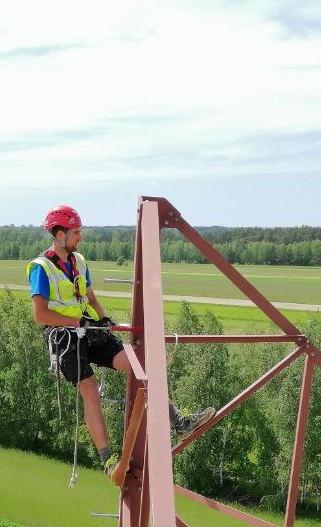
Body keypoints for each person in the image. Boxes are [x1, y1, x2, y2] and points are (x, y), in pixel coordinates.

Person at [26, 204, 215, 481]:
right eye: (76, 232)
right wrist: (77, 323)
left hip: (87, 329)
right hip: (64, 338)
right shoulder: (41, 268)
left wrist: (104, 321)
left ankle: (180, 421)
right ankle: (108, 460)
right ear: (59, 234)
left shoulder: (78, 261)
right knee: (90, 391)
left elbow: (90, 298)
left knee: (140, 364)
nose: (80, 237)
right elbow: (40, 315)